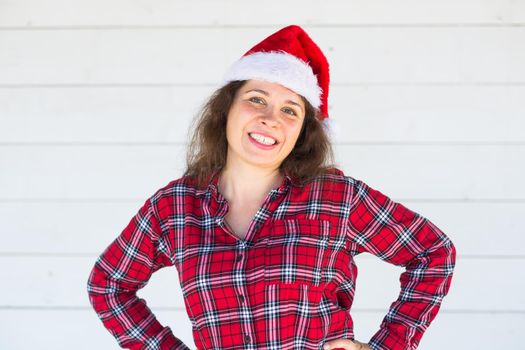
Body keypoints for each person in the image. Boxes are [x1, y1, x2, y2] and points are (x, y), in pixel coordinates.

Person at [87, 25, 456, 350]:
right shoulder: (175, 206)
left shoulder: (338, 199)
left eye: (290, 110)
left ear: (303, 132)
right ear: (227, 109)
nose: (270, 119)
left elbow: (433, 252)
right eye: (256, 99)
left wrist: (387, 346)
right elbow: (108, 285)